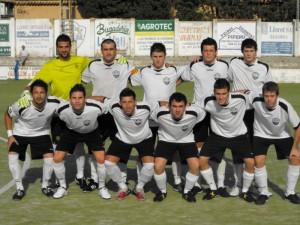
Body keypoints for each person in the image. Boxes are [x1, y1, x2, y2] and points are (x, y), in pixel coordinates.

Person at [17, 34, 92, 192]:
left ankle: (80, 176)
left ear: (70, 47)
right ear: (57, 48)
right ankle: (60, 180)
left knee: (79, 145)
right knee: (59, 148)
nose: (64, 50)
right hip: (57, 114)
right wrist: (26, 92)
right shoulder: (50, 66)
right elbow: (35, 83)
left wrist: (120, 58)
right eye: (61, 47)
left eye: (66, 47)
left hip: (76, 111)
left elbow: (100, 64)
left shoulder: (80, 61)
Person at [82, 38, 138, 191]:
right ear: (101, 51)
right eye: (105, 49)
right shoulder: (93, 65)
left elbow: (140, 78)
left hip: (118, 113)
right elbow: (82, 82)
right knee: (95, 147)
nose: (108, 52)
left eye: (111, 49)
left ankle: (123, 179)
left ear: (116, 50)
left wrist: (132, 67)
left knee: (122, 146)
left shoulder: (124, 64)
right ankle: (95, 180)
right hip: (98, 112)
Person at [130, 42, 186, 193]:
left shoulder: (173, 70)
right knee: (144, 151)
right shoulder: (144, 72)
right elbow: (130, 80)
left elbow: (187, 74)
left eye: (161, 56)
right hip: (149, 118)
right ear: (151, 57)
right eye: (155, 57)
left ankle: (177, 180)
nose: (158, 60)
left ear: (165, 56)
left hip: (168, 118)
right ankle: (141, 181)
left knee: (174, 151)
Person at [180, 37, 229, 196]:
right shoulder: (194, 65)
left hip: (218, 112)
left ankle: (220, 184)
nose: (208, 53)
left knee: (218, 148)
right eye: (205, 51)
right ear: (201, 52)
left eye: (211, 51)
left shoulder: (224, 65)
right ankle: (198, 184)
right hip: (199, 112)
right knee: (199, 148)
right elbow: (178, 78)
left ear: (216, 52)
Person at [227, 38, 273, 196]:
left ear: (256, 51)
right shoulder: (233, 63)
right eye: (246, 51)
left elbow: (270, 90)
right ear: (242, 52)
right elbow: (223, 81)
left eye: (251, 51)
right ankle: (237, 185)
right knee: (237, 149)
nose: (248, 54)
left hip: (257, 113)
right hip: (238, 112)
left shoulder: (264, 67)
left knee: (255, 150)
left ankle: (255, 185)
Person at [199, 78, 255, 203]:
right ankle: (213, 189)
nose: (220, 97)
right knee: (202, 160)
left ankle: (244, 191)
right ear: (214, 93)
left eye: (224, 94)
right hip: (217, 135)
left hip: (239, 135)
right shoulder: (208, 101)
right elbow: (192, 106)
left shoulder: (240, 99)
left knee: (250, 162)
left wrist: (245, 91)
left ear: (229, 92)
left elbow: (260, 94)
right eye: (218, 94)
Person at [4, 79, 60, 200]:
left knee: (50, 158)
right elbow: (7, 114)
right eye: (36, 92)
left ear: (46, 93)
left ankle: (45, 186)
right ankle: (19, 188)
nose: (39, 96)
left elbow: (70, 105)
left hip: (42, 133)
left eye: (42, 93)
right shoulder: (22, 104)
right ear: (31, 94)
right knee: (12, 155)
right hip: (20, 132)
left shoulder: (54, 102)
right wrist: (10, 136)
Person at [95, 88, 154, 201]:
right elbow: (102, 99)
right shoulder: (114, 106)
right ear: (120, 103)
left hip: (144, 138)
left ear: (135, 102)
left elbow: (162, 104)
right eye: (124, 102)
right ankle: (123, 187)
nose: (127, 105)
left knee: (150, 165)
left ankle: (139, 188)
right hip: (123, 138)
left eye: (130, 102)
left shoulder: (146, 107)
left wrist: (188, 105)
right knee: (108, 163)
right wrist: (83, 98)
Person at [52, 84, 110, 199]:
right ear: (69, 99)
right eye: (74, 98)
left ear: (85, 99)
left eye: (80, 98)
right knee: (57, 158)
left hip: (92, 132)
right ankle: (62, 187)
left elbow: (107, 116)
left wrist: (103, 136)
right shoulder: (62, 110)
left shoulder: (96, 107)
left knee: (101, 158)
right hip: (71, 132)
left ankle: (102, 187)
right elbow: (55, 120)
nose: (77, 101)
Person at [247, 82, 300, 205]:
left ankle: (290, 193)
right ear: (263, 95)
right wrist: (229, 93)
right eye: (266, 96)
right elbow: (245, 92)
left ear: (277, 95)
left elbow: (298, 127)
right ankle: (263, 192)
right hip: (261, 134)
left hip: (282, 135)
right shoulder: (256, 98)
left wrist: (295, 148)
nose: (269, 99)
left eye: (272, 96)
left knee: (295, 158)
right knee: (258, 162)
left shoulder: (285, 106)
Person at [150, 92, 206, 203]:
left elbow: (202, 114)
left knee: (195, 165)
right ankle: (162, 191)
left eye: (181, 106)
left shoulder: (195, 113)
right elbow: (151, 114)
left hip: (186, 140)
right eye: (174, 106)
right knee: (158, 166)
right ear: (169, 106)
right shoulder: (159, 113)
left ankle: (186, 192)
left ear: (186, 106)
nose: (177, 110)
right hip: (166, 140)